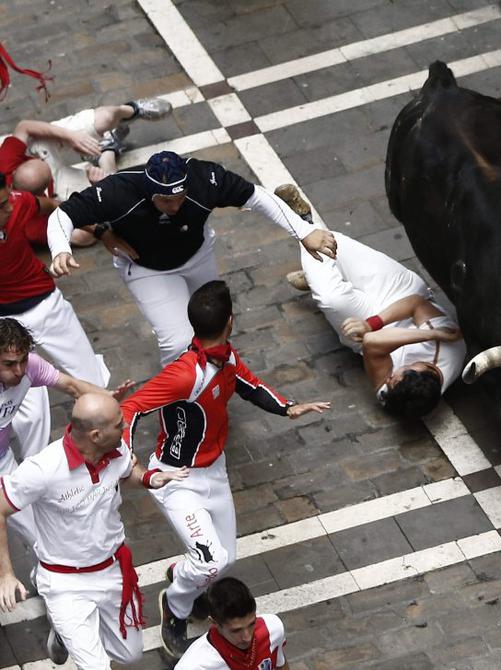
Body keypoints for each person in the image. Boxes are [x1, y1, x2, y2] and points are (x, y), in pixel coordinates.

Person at [120, 280, 330, 658]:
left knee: (225, 560)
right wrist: (125, 458)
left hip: (215, 471)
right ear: (231, 321)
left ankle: (185, 575)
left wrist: (286, 407)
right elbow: (130, 408)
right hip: (177, 479)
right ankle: (175, 606)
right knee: (212, 560)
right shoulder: (185, 373)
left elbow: (249, 383)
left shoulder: (226, 357)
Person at [46, 151, 338, 366]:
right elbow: (63, 214)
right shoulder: (117, 192)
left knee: (216, 322)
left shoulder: (205, 179)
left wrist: (303, 231)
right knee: (177, 343)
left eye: (180, 196)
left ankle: (217, 375)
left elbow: (257, 197)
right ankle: (178, 402)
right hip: (147, 268)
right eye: (166, 200)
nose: (175, 205)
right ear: (150, 193)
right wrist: (61, 249)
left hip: (197, 256)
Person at [0, 393, 186, 668]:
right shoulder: (43, 469)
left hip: (112, 571)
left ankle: (67, 636)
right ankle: (69, 629)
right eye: (118, 423)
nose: (125, 427)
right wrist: (6, 573)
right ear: (96, 435)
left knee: (130, 655)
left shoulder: (116, 448)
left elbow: (127, 471)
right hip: (65, 583)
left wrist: (149, 478)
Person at [275, 184, 465, 418]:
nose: (391, 376)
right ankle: (320, 270)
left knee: (331, 298)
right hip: (400, 297)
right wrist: (435, 334)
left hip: (367, 332)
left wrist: (428, 334)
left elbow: (373, 341)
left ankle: (304, 226)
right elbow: (414, 304)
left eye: (391, 379)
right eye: (401, 372)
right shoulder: (451, 348)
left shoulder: (392, 394)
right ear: (425, 368)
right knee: (338, 244)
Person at [0, 179, 110, 466]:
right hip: (5, 325)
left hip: (47, 304)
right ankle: (35, 478)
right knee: (31, 416)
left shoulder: (19, 202)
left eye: (7, 200)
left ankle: (105, 455)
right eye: (1, 206)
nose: (10, 207)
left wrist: (98, 231)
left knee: (93, 384)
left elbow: (57, 209)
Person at [0, 318, 131, 549]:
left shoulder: (31, 367)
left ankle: (44, 582)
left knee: (36, 535)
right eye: (10, 364)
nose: (19, 370)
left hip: (2, 461)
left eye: (22, 360)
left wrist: (106, 399)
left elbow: (72, 387)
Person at [0, 98, 173, 247]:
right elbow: (84, 236)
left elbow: (24, 127)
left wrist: (71, 136)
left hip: (41, 153)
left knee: (106, 117)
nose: (10, 207)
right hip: (57, 193)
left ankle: (133, 109)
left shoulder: (5, 164)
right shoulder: (26, 227)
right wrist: (97, 190)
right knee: (114, 191)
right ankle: (107, 151)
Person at [174, 577, 289, 670]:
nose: (247, 637)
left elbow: (281, 665)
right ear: (214, 623)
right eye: (236, 630)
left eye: (251, 624)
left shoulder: (272, 628)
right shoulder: (194, 666)